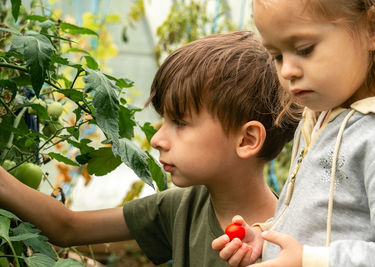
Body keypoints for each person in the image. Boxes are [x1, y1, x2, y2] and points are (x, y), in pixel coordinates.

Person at [0, 31, 298, 266]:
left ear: (246, 140)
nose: (156, 139)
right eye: (163, 120)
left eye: (180, 123)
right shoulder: (182, 207)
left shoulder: (291, 242)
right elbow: (69, 228)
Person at [212, 0, 375, 266]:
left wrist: (306, 260)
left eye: (305, 49)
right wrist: (266, 238)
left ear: (373, 28)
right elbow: (319, 222)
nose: (287, 70)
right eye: (276, 56)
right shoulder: (317, 119)